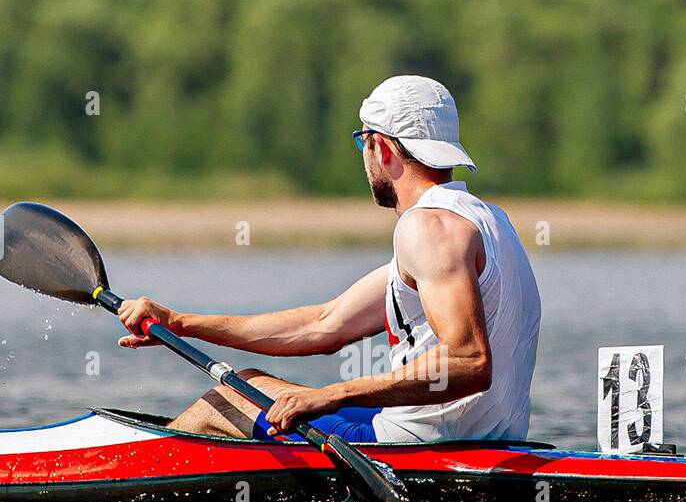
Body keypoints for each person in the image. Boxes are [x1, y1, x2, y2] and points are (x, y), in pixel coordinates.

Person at [117, 75, 541, 443]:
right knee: (249, 384)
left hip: (417, 447)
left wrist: (331, 395)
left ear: (381, 147)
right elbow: (323, 325)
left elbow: (469, 362)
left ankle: (121, 500)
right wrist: (178, 323)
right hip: (484, 437)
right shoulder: (489, 222)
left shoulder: (425, 229)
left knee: (228, 399)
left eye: (363, 141)